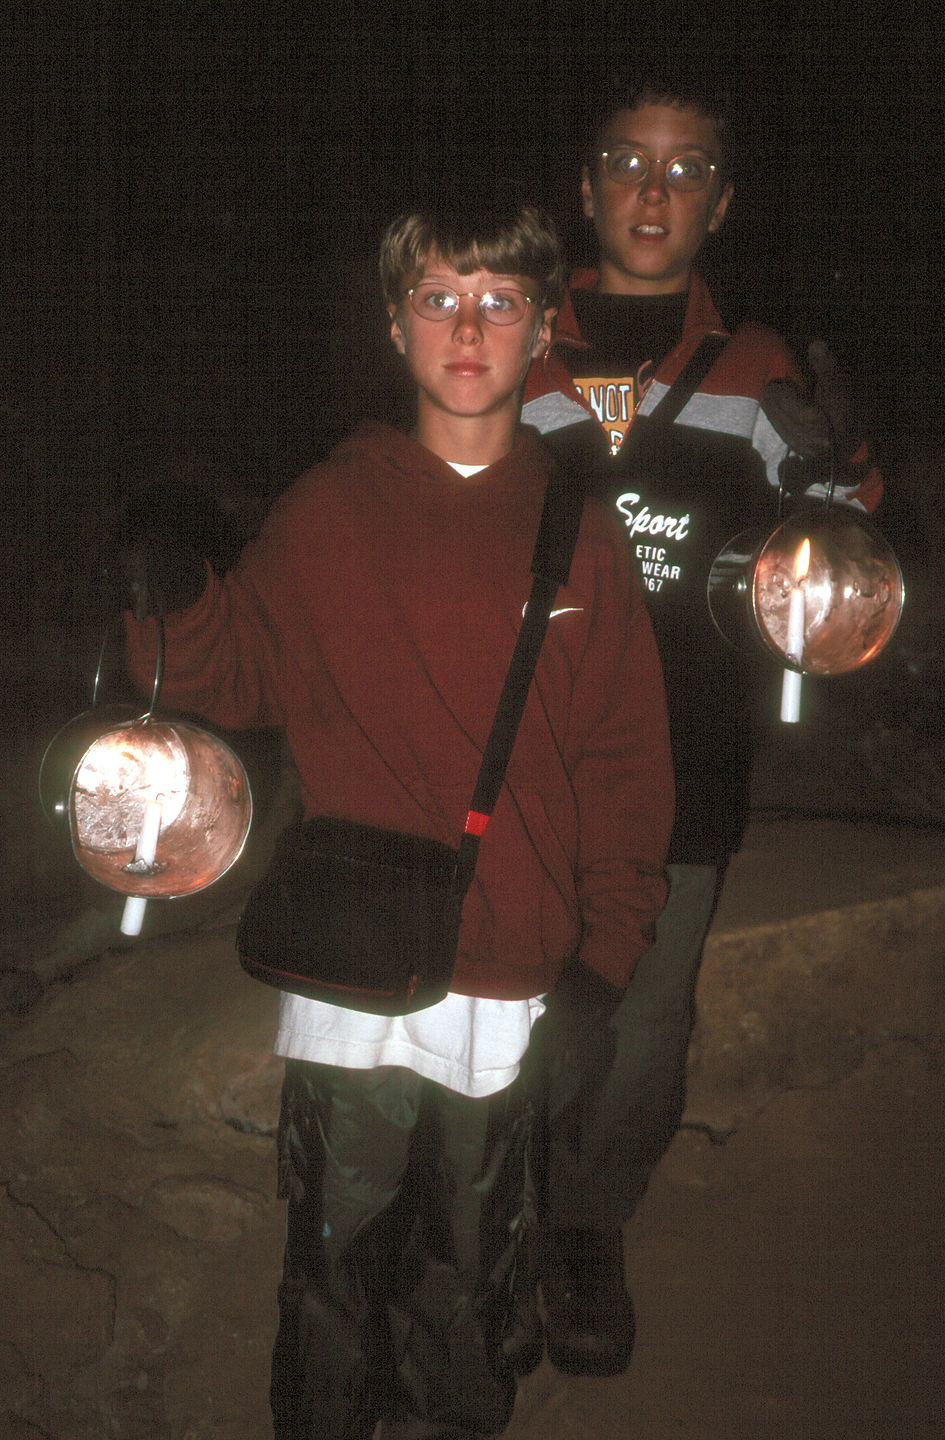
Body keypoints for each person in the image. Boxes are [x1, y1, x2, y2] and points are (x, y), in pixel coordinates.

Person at [122, 199, 673, 1438]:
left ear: (541, 333)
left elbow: (626, 766)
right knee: (333, 1260)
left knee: (470, 1279)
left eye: (499, 301)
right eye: (437, 297)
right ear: (393, 324)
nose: (467, 327)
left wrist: (604, 964)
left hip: (507, 978)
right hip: (349, 976)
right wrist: (171, 591)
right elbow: (236, 675)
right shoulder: (329, 506)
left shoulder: (580, 533)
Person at [520, 72, 882, 1377]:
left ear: (722, 200)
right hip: (521, 758)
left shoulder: (758, 368)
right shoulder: (509, 336)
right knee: (513, 997)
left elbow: (840, 561)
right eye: (629, 161)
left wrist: (841, 473)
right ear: (589, 183)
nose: (654, 191)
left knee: (644, 1023)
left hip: (688, 763)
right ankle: (495, 1224)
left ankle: (583, 1232)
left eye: (686, 169)